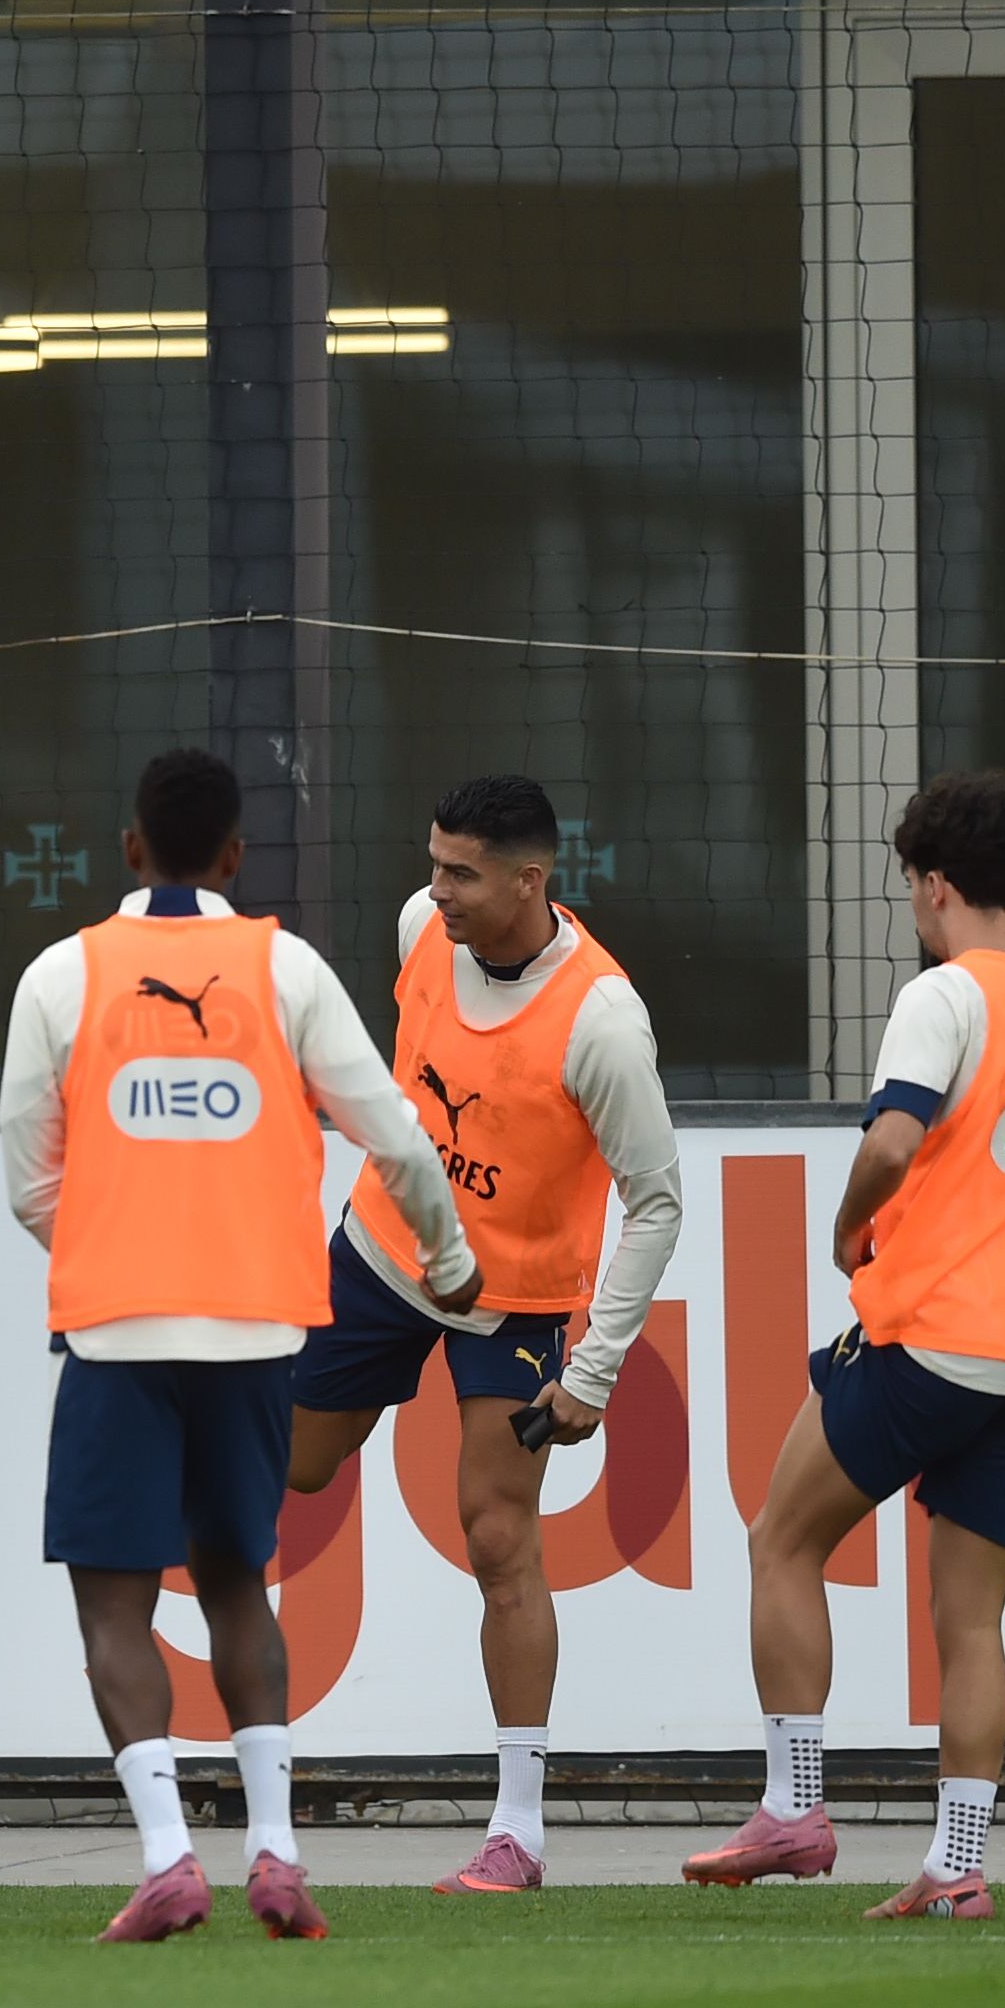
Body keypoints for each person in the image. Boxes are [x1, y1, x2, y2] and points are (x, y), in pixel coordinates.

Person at [0, 748, 476, 1946]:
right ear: (233, 856)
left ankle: (167, 1858)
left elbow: (27, 1179)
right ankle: (275, 1853)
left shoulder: (62, 976)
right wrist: (451, 1260)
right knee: (234, 1582)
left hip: (117, 1328)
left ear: (127, 847)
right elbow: (401, 1139)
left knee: (113, 1602)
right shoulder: (285, 969)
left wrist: (117, 1239)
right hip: (259, 1328)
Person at [688, 771, 1005, 1920]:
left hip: (932, 1335)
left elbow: (894, 1141)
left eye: (909, 888)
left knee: (780, 1540)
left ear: (935, 884)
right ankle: (956, 1866)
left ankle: (794, 1806)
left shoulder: (945, 996)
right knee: (971, 1620)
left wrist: (850, 1223)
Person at [282, 775, 685, 1894]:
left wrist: (593, 1372)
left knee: (497, 1537)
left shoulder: (601, 1021)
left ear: (529, 879)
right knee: (295, 1469)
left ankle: (516, 1831)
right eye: (432, 863)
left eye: (460, 871)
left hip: (515, 1300)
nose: (435, 889)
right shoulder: (421, 931)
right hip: (380, 1251)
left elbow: (656, 1201)